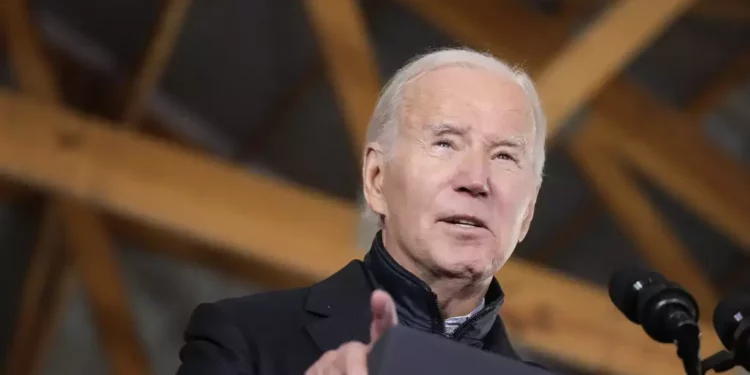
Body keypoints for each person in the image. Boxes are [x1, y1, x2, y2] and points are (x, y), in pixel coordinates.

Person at [176, 47, 546, 374]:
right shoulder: (244, 339)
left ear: (527, 212)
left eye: (504, 156)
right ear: (376, 179)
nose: (476, 179)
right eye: (446, 143)